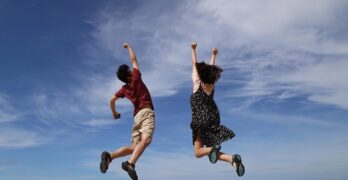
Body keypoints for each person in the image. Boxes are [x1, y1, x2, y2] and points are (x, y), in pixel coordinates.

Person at [100, 43, 155, 180]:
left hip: (136, 117)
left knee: (135, 147)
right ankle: (130, 164)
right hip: (146, 112)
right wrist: (129, 46)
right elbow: (134, 60)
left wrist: (115, 113)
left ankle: (110, 156)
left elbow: (112, 100)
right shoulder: (136, 77)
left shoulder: (124, 89)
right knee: (146, 140)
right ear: (129, 73)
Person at [190, 42, 245, 177]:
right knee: (208, 151)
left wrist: (193, 50)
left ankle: (213, 149)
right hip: (212, 117)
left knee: (197, 153)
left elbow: (193, 63)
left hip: (200, 118)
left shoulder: (198, 83)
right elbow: (211, 69)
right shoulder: (211, 86)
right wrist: (214, 55)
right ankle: (232, 160)